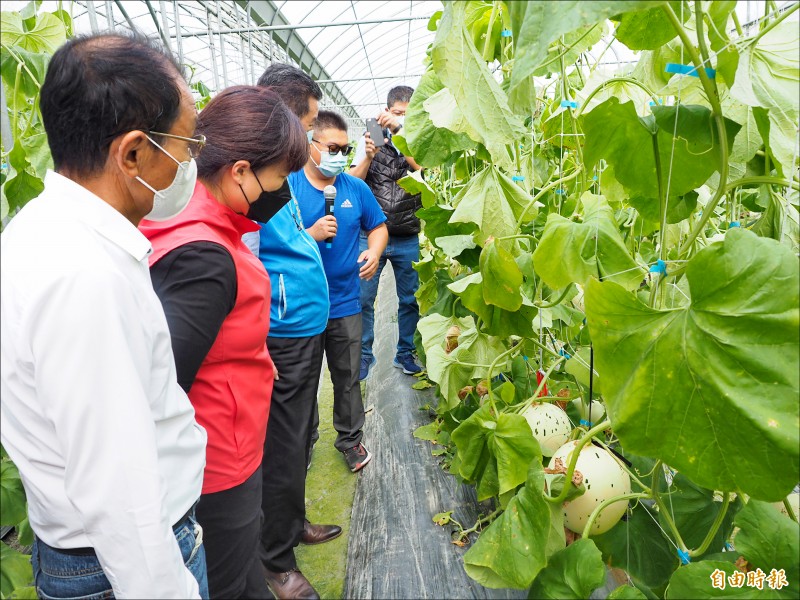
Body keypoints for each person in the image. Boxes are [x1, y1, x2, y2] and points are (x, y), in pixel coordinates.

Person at [0, 32, 208, 599]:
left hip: (89, 557)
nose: (188, 163)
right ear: (134, 152)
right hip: (119, 569)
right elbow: (118, 486)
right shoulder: (84, 276)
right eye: (186, 146)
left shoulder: (40, 231)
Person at [139, 85, 308, 599]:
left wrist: (249, 357)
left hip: (220, 441)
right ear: (239, 171)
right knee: (233, 581)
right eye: (279, 179)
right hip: (219, 462)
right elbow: (165, 382)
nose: (281, 193)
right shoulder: (205, 257)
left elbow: (201, 340)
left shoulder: (186, 219)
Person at [254, 64, 341, 600]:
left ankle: (291, 524)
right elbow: (249, 256)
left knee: (301, 434)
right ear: (285, 116)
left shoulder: (279, 171)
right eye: (307, 124)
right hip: (282, 330)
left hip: (303, 325)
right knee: (282, 445)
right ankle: (274, 560)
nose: (308, 138)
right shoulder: (253, 171)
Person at [292, 110, 388, 473]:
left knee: (347, 376)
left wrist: (374, 251)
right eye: (333, 148)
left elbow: (378, 226)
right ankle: (304, 441)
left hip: (346, 301)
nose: (340, 156)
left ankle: (350, 440)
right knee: (302, 380)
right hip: (302, 305)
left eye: (345, 149)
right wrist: (309, 235)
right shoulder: (288, 188)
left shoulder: (354, 188)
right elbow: (267, 242)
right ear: (311, 145)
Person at [349, 86, 423, 380]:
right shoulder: (370, 136)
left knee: (410, 299)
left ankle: (405, 352)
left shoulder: (416, 139)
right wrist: (369, 156)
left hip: (407, 234)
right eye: (396, 113)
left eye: (407, 114)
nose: (399, 118)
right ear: (386, 110)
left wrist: (403, 134)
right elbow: (352, 181)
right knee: (365, 298)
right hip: (372, 234)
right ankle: (365, 355)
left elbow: (423, 171)